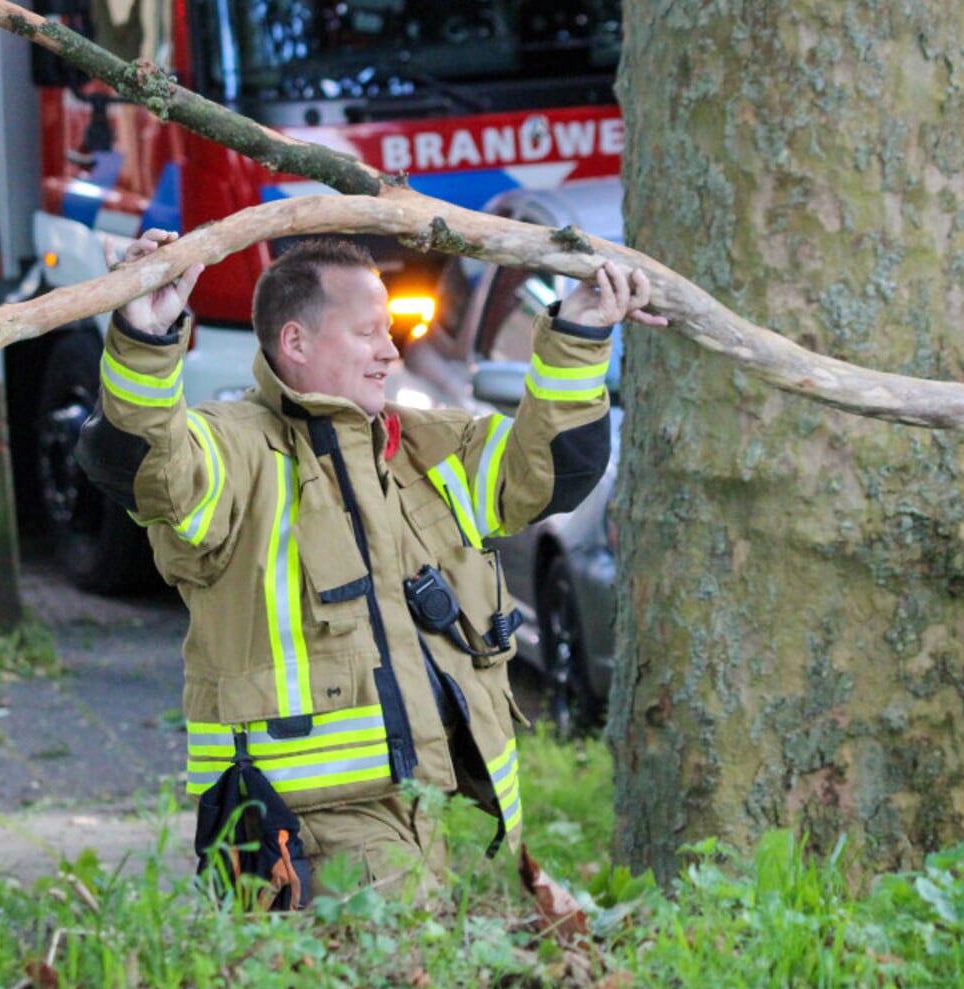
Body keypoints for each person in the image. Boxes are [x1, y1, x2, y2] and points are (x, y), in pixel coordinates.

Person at [77, 229, 662, 899]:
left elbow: (555, 469)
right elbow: (146, 466)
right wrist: (145, 343)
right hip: (311, 828)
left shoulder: (424, 449)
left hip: (452, 816)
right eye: (367, 333)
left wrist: (581, 334)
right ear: (295, 343)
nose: (390, 350)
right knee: (408, 978)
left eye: (388, 331)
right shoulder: (237, 451)